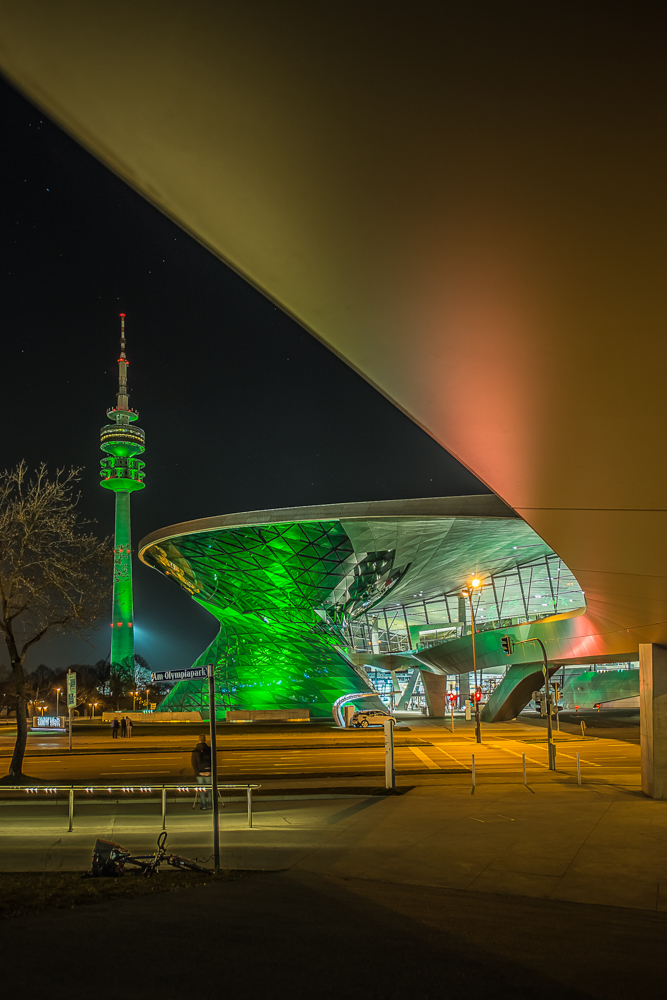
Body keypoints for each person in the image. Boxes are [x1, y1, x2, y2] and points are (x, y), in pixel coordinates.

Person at [191, 734, 212, 810]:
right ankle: (211, 805)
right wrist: (210, 771)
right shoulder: (210, 749)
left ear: (199, 740)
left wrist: (198, 772)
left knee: (201, 790)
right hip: (209, 773)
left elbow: (194, 763)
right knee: (210, 790)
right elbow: (213, 761)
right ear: (205, 740)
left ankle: (203, 805)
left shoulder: (195, 751)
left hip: (200, 774)